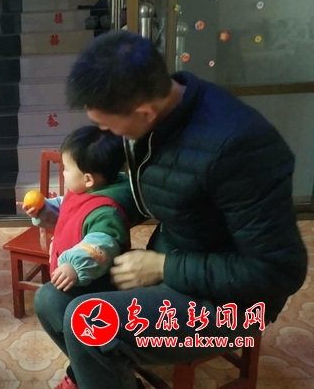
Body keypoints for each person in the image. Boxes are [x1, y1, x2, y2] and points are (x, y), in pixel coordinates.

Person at [34, 30, 308, 389]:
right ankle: (101, 377)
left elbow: (279, 271)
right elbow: (155, 192)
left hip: (234, 305)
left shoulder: (240, 146)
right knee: (50, 299)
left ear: (144, 112)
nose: (103, 132)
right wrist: (75, 216)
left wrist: (163, 266)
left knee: (85, 322)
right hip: (174, 266)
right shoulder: (154, 120)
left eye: (107, 125)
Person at [19, 126, 140, 291]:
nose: (63, 173)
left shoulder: (106, 212)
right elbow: (67, 207)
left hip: (89, 282)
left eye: (66, 169)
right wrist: (43, 209)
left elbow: (101, 245)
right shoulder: (85, 191)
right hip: (70, 275)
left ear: (88, 179)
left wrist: (75, 266)